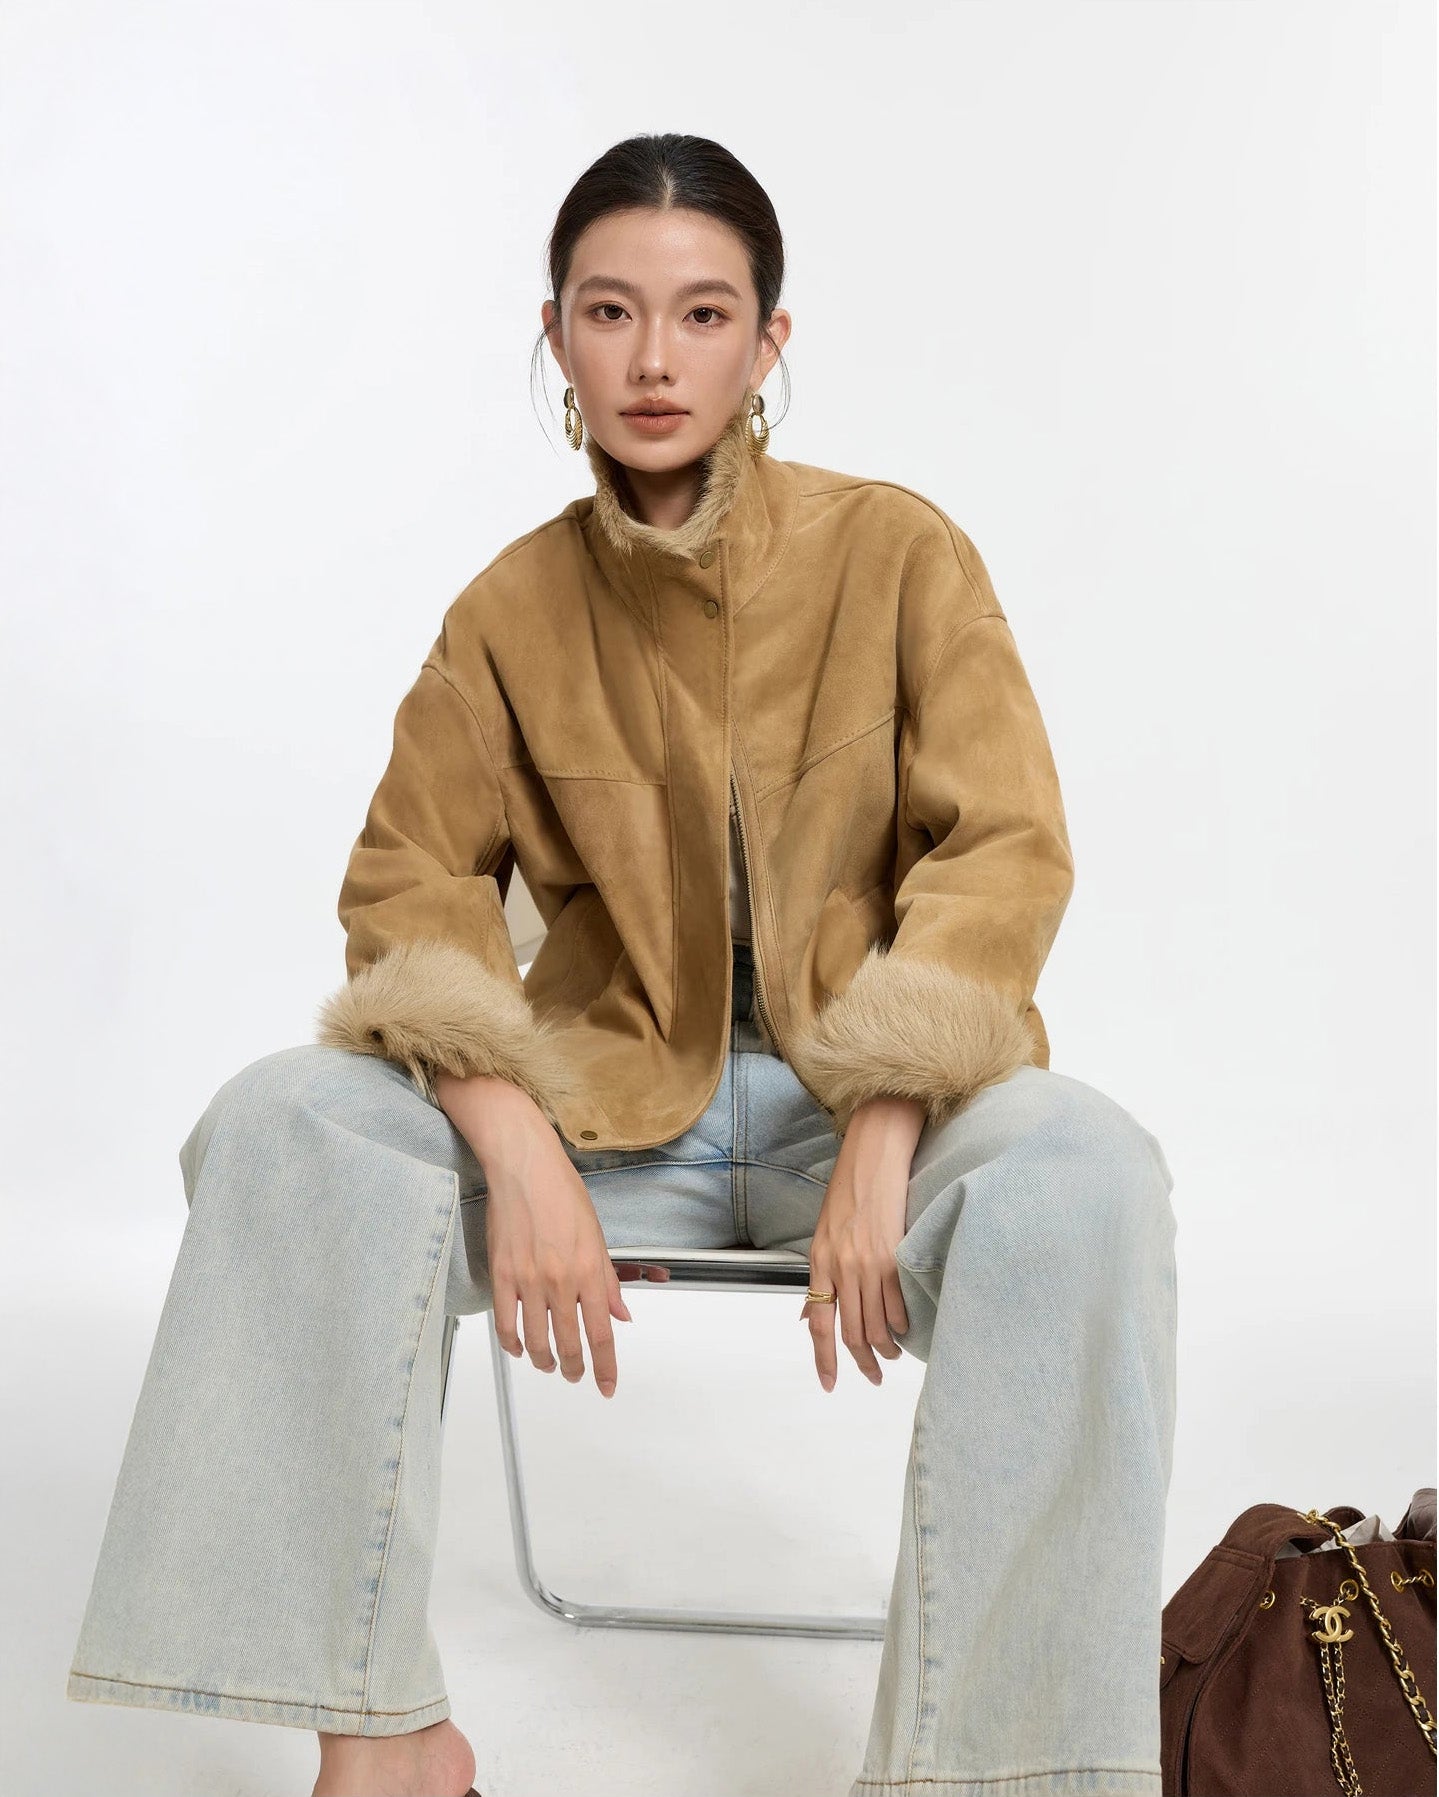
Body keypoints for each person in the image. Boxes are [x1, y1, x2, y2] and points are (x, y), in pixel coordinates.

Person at [65, 133, 1178, 1797]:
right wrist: (513, 1140)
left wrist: (885, 1120)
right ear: (557, 335)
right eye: (611, 312)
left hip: (872, 1118)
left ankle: (986, 1777)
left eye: (704, 314)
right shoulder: (507, 611)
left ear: (768, 342)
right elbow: (408, 882)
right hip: (603, 1124)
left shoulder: (902, 557)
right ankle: (385, 1745)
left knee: (1090, 1172)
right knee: (286, 1119)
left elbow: (1004, 848)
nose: (656, 360)